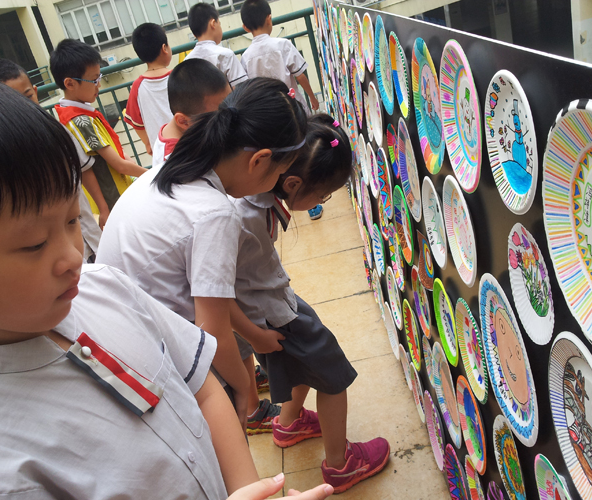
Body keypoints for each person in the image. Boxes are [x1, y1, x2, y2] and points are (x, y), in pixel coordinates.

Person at [0, 66, 263, 499]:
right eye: (34, 244)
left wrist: (247, 489)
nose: (74, 256)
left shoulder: (105, 286)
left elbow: (201, 389)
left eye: (72, 220)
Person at [96, 78, 308, 431]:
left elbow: (212, 302)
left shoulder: (169, 169)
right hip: (155, 365)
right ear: (259, 160)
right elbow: (212, 330)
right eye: (281, 173)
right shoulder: (215, 213)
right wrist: (241, 391)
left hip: (118, 346)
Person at [232, 114, 390, 494]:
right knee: (334, 375)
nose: (321, 202)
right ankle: (340, 465)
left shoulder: (254, 194)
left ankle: (288, 424)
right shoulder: (246, 217)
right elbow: (219, 294)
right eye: (322, 195)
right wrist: (253, 334)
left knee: (298, 364)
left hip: (270, 305)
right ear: (292, 183)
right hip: (272, 315)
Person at [0, 58, 103, 258]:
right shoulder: (0, 155)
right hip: (57, 253)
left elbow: (84, 171)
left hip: (90, 236)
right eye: (13, 101)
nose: (24, 106)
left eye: (28, 96)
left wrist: (103, 208)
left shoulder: (59, 133)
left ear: (35, 91)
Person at [240, 0, 324, 221]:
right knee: (303, 153)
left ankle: (286, 200)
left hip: (267, 117)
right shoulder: (283, 45)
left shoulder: (246, 56)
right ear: (269, 18)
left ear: (245, 27)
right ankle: (311, 204)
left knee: (280, 158)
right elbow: (300, 75)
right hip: (293, 110)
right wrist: (312, 97)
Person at [51, 39, 147, 228]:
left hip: (120, 196)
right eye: (94, 80)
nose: (99, 85)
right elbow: (119, 165)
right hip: (115, 202)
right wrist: (152, 174)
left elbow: (119, 155)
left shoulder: (81, 114)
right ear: (70, 83)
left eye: (99, 77)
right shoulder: (80, 121)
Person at [151, 58, 231, 168]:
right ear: (183, 121)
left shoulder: (188, 129)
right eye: (219, 117)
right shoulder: (178, 162)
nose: (229, 118)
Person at [124, 23, 174, 154]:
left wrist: (148, 142)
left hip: (162, 153)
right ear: (164, 48)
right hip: (191, 145)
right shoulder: (179, 76)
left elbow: (135, 121)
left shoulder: (137, 86)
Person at [186, 3, 248, 89]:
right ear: (213, 23)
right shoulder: (225, 55)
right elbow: (241, 90)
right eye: (219, 23)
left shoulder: (186, 62)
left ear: (194, 34)